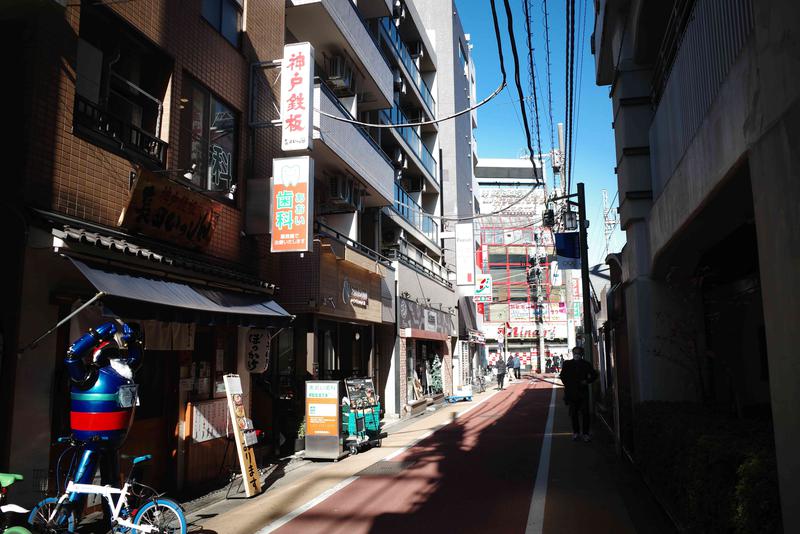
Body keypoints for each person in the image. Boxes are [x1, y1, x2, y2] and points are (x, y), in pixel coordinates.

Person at [559, 346, 599, 442]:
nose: (576, 355)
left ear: (582, 354)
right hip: (572, 393)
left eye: (578, 353)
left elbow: (594, 375)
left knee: (585, 413)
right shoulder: (567, 364)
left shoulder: (586, 364)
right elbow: (562, 376)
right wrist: (568, 385)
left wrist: (587, 381)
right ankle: (576, 432)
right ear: (572, 354)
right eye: (575, 353)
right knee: (574, 414)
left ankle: (585, 433)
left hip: (583, 392)